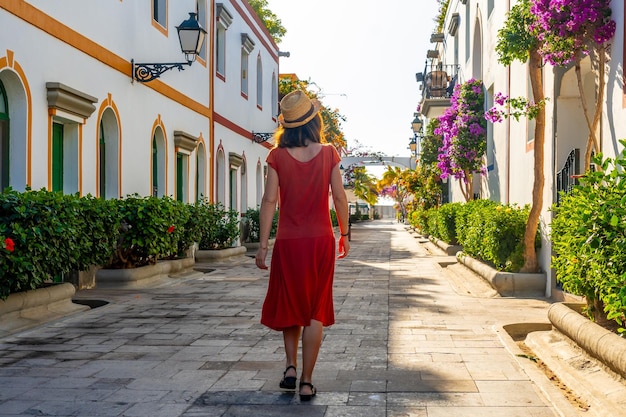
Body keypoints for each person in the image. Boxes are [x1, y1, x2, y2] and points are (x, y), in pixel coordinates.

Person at [255, 90, 350, 402]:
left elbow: (269, 201)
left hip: (288, 243)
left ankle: (291, 367)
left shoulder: (277, 156)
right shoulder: (328, 154)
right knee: (315, 310)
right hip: (321, 241)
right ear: (314, 122)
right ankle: (307, 382)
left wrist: (263, 245)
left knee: (290, 304)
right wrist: (345, 233)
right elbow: (339, 197)